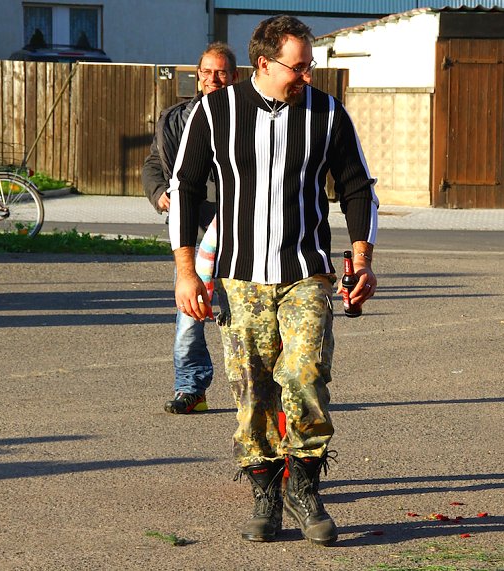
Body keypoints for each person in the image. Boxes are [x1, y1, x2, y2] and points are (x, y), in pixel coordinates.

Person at [168, 15, 378, 545]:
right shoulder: (215, 112)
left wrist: (362, 257)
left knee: (305, 375)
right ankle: (265, 493)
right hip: (239, 278)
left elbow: (356, 187)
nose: (308, 76)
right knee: (252, 392)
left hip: (307, 271)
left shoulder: (328, 113)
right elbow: (186, 189)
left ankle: (304, 486)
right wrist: (186, 272)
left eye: (309, 66)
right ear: (263, 63)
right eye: (298, 67)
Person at [141, 42, 238, 414]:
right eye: (207, 72)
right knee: (189, 317)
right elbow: (153, 164)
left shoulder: (249, 118)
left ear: (235, 76)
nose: (213, 79)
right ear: (198, 76)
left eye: (222, 72)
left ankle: (255, 390)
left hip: (237, 235)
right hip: (194, 238)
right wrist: (160, 193)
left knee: (237, 318)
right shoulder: (177, 118)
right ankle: (191, 389)